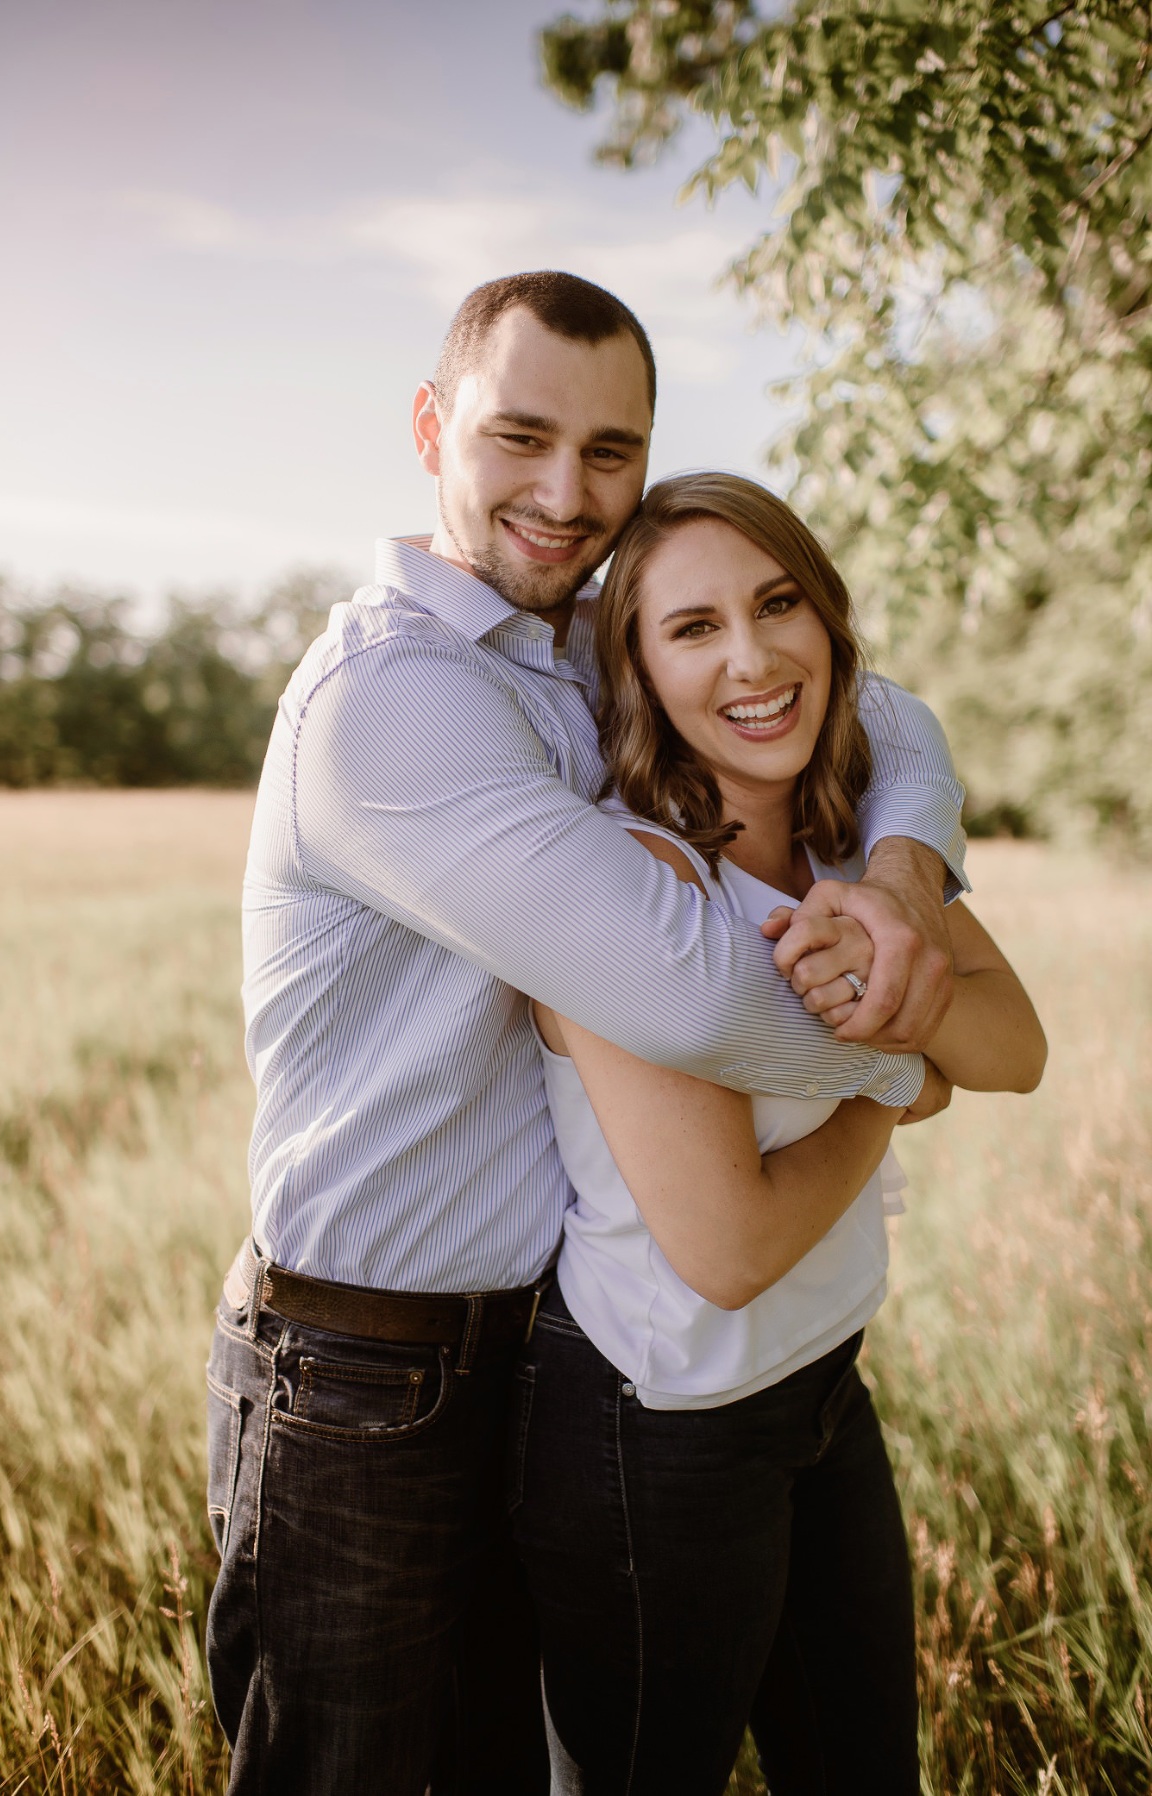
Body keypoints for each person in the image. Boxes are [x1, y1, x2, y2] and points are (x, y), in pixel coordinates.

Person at [205, 271, 971, 1796]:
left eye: (610, 451)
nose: (567, 495)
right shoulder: (395, 702)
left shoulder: (572, 642)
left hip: (547, 1351)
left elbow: (882, 710)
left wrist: (896, 877)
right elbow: (687, 996)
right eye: (521, 438)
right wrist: (915, 1055)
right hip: (362, 1362)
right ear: (433, 429)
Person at [511, 472, 1047, 1796]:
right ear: (636, 668)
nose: (753, 660)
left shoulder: (847, 846)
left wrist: (895, 943)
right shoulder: (637, 884)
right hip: (659, 1430)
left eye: (778, 603)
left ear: (830, 624)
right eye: (693, 629)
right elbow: (728, 1243)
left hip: (819, 1385)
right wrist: (897, 1079)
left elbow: (1019, 1049)